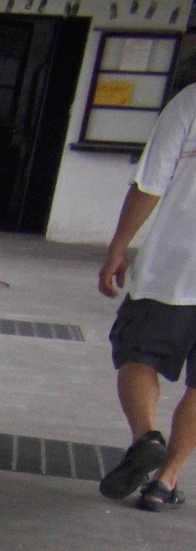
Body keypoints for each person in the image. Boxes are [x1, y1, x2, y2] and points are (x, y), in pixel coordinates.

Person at [98, 78, 196, 511]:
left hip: (174, 264)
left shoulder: (190, 100)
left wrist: (120, 245)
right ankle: (164, 482)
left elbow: (151, 182)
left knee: (137, 354)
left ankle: (147, 437)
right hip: (175, 264)